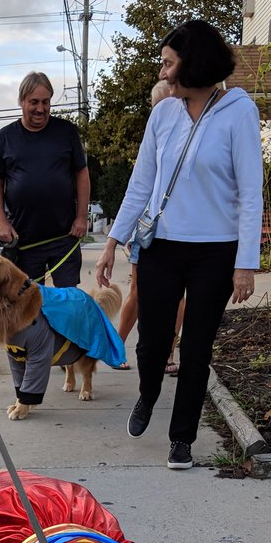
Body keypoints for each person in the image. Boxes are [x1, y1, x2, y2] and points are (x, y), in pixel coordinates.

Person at [96, 20, 263, 470]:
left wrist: (246, 263)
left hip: (215, 250)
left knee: (197, 347)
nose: (164, 73)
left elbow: (251, 191)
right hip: (161, 247)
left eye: (169, 63)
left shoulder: (238, 111)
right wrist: (113, 239)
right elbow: (141, 183)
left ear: (194, 62)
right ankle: (148, 394)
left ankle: (182, 437)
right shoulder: (163, 114)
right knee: (151, 343)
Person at [0, 72, 89, 287]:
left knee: (67, 304)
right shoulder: (5, 137)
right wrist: (2, 222)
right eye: (34, 102)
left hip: (65, 238)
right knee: (28, 308)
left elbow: (82, 174)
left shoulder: (67, 132)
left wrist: (82, 217)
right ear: (22, 101)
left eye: (46, 102)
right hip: (25, 241)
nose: (41, 109)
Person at [117, 80, 186, 372]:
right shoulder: (154, 139)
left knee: (178, 297)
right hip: (146, 230)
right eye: (159, 105)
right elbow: (139, 191)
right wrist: (122, 236)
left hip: (179, 231)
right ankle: (116, 346)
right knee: (138, 291)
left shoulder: (189, 136)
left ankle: (169, 351)